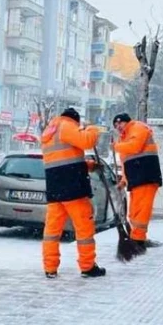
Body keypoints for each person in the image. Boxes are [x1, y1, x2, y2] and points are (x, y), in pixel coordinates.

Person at [40, 108, 107, 279]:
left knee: (52, 231)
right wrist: (92, 128)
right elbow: (86, 141)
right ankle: (87, 266)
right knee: (84, 228)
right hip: (72, 188)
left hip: (55, 188)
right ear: (75, 120)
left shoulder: (50, 131)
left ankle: (50, 268)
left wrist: (86, 165)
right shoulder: (66, 126)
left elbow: (63, 160)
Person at [112, 113, 163, 249]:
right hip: (136, 179)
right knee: (134, 211)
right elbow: (126, 163)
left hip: (146, 176)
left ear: (126, 122)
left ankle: (138, 239)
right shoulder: (124, 139)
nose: (118, 127)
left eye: (120, 123)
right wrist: (124, 180)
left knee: (141, 209)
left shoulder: (137, 128)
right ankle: (137, 236)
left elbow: (135, 146)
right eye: (116, 126)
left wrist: (116, 147)